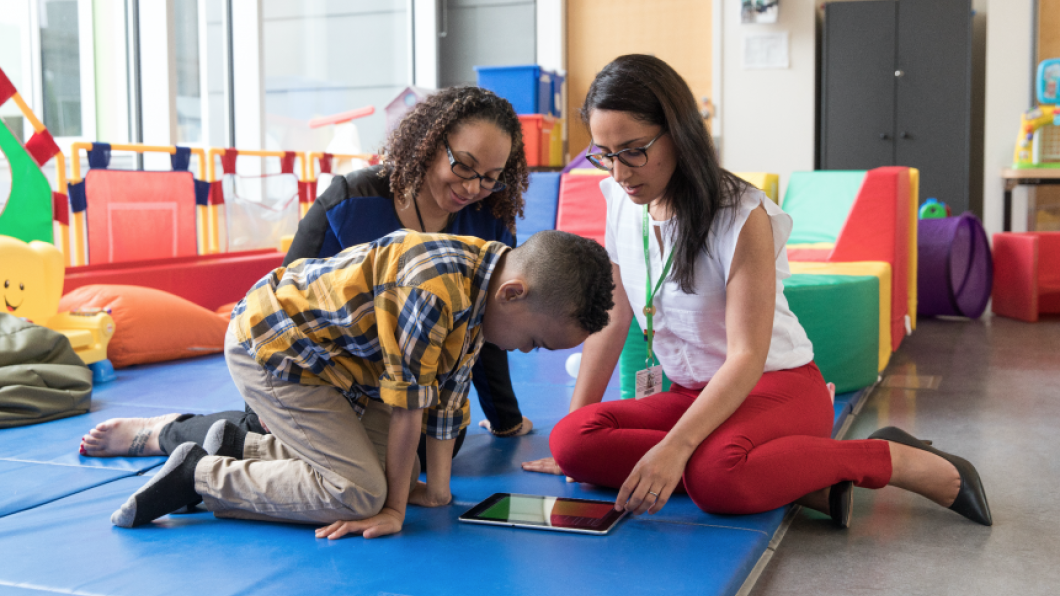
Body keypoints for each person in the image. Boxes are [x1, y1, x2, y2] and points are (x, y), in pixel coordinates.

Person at [522, 54, 991, 528]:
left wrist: (676, 446)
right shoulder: (621, 202)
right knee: (572, 441)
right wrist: (572, 432)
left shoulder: (741, 215)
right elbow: (614, 318)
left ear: (679, 133)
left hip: (776, 388)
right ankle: (800, 477)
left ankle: (886, 457)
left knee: (716, 480)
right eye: (604, 153)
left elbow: (747, 355)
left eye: (633, 150)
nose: (619, 173)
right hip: (694, 395)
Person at [81, 86, 535, 463]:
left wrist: (504, 417)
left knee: (436, 445)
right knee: (323, 451)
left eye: (492, 177)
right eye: (464, 167)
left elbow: (486, 327)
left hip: (402, 383)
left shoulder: (488, 224)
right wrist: (261, 414)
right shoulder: (350, 201)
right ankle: (167, 432)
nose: (474, 187)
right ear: (430, 144)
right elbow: (275, 309)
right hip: (325, 371)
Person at [110, 229, 615, 536]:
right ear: (513, 294)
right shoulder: (434, 289)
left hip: (331, 367)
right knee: (357, 494)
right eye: (537, 341)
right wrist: (393, 508)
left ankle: (247, 447)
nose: (527, 351)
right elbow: (407, 409)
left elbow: (446, 398)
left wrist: (436, 492)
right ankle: (198, 477)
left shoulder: (483, 280)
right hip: (275, 350)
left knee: (382, 475)